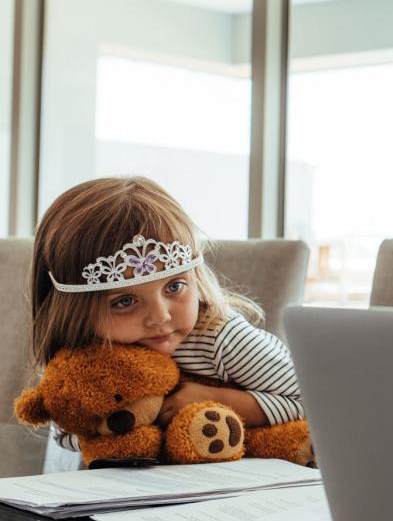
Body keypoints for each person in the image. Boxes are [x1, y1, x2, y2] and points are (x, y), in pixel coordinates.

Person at [29, 176, 306, 459]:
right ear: (74, 311)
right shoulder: (85, 357)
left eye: (174, 286)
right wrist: (118, 434)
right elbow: (64, 432)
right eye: (125, 301)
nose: (160, 316)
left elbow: (313, 402)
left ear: (196, 278)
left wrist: (219, 400)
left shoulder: (222, 338)